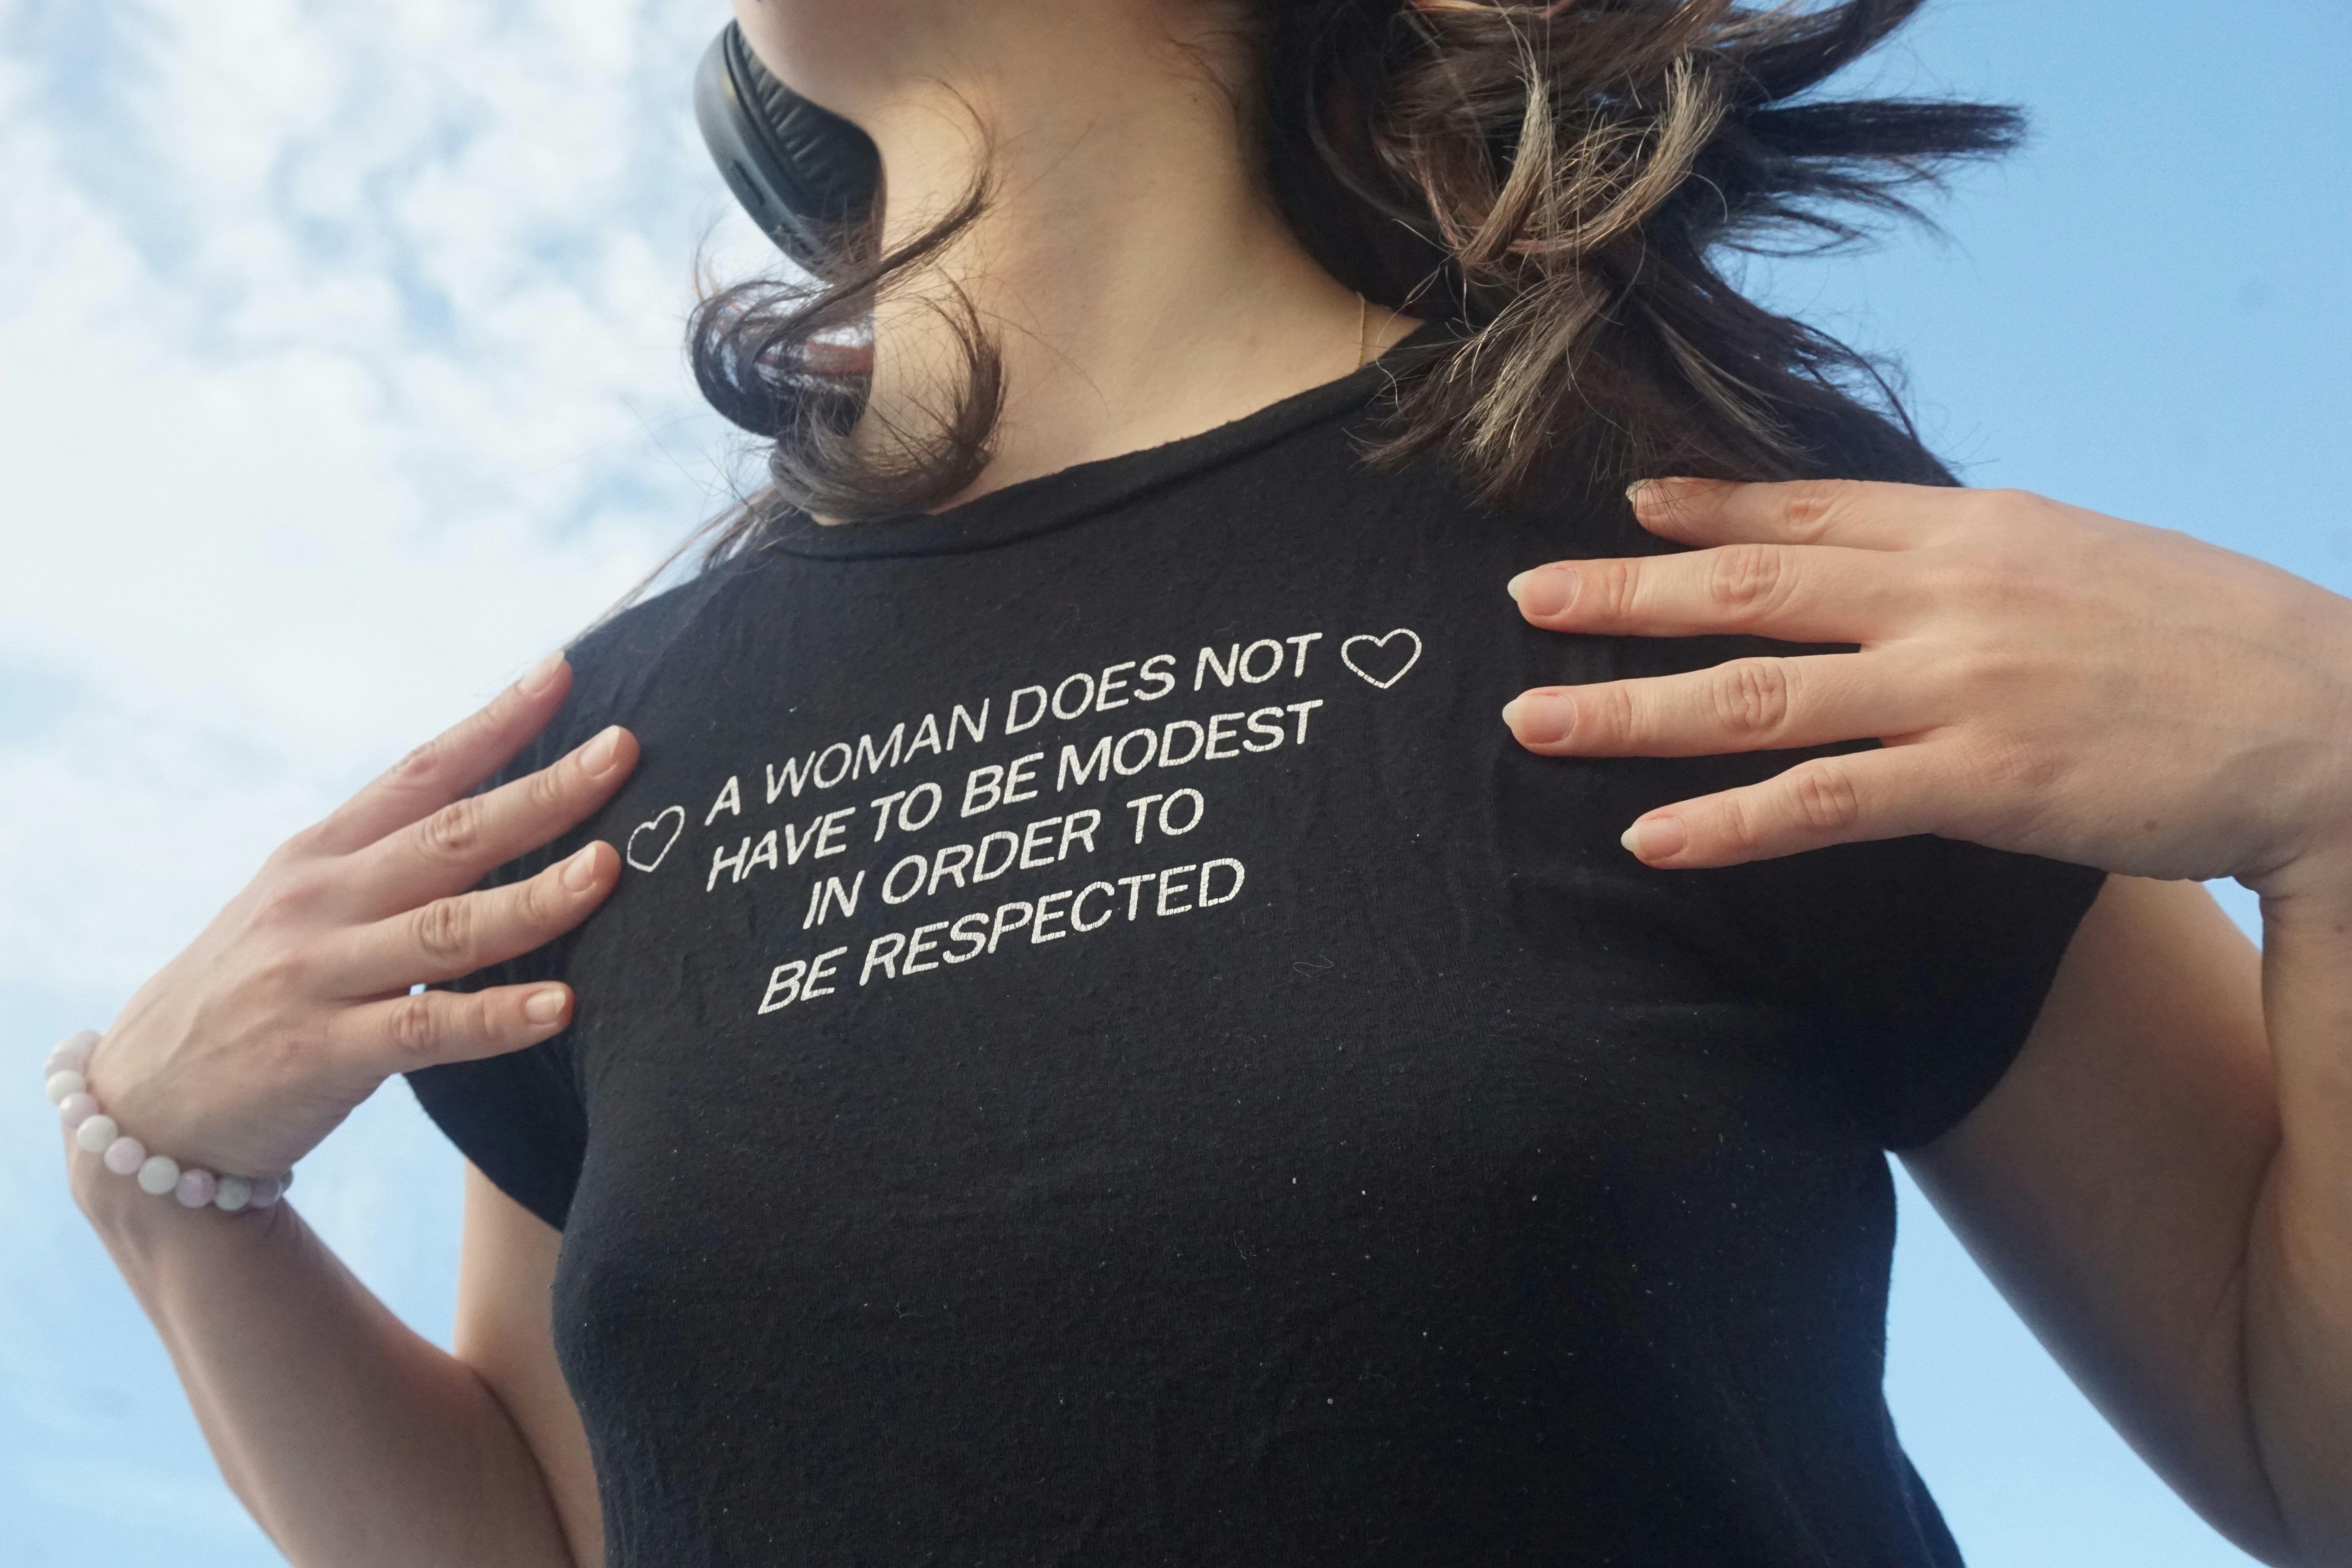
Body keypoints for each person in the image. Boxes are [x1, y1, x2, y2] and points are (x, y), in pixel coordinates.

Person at [49, 0, 2352, 1564]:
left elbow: (2300, 1443)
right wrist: (171, 1203)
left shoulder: (1706, 552)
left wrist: (2340, 789)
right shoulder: (593, 761)